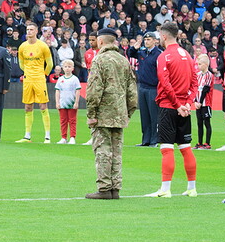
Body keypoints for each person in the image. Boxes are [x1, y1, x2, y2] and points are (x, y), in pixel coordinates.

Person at [146, 21, 198, 198]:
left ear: (164, 36)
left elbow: (165, 83)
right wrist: (187, 104)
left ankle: (165, 189)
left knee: (167, 148)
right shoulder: (187, 55)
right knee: (186, 147)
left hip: (169, 107)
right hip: (185, 109)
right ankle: (192, 188)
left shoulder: (164, 56)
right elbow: (195, 83)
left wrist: (177, 105)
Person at [84, 28, 137, 200]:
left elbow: (93, 90)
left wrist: (91, 113)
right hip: (120, 113)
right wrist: (128, 112)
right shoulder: (124, 61)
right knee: (117, 151)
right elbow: (132, 92)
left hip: (103, 114)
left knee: (103, 151)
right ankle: (115, 188)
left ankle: (104, 188)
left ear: (100, 41)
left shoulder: (99, 60)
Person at [15, 23, 54, 143]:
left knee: (43, 106)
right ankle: (27, 136)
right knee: (27, 107)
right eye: (27, 30)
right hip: (28, 79)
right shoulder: (22, 47)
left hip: (39, 79)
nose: (29, 31)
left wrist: (43, 74)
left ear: (36, 31)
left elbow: (50, 64)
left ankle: (47, 136)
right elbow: (21, 63)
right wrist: (27, 72)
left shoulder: (43, 46)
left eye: (31, 29)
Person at [127, 32, 161, 147]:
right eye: (145, 40)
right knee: (144, 115)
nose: (146, 42)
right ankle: (145, 140)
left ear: (155, 41)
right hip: (142, 87)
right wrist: (134, 47)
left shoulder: (158, 54)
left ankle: (154, 140)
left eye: (149, 40)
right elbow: (130, 54)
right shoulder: (142, 52)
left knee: (154, 115)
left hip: (153, 88)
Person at [55, 59, 81, 144]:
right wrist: (57, 102)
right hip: (62, 103)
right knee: (63, 121)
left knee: (72, 120)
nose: (67, 68)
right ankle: (63, 137)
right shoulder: (60, 79)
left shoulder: (75, 79)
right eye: (65, 67)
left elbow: (77, 91)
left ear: (72, 68)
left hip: (71, 103)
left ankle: (72, 137)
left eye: (69, 67)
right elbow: (57, 91)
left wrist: (76, 102)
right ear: (63, 68)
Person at [194, 54, 215, 149]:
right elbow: (194, 88)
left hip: (206, 104)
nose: (198, 66)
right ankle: (199, 142)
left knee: (206, 123)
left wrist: (200, 101)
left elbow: (206, 89)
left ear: (206, 64)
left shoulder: (209, 75)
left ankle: (207, 143)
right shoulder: (198, 75)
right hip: (198, 104)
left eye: (200, 64)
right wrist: (195, 101)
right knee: (199, 123)